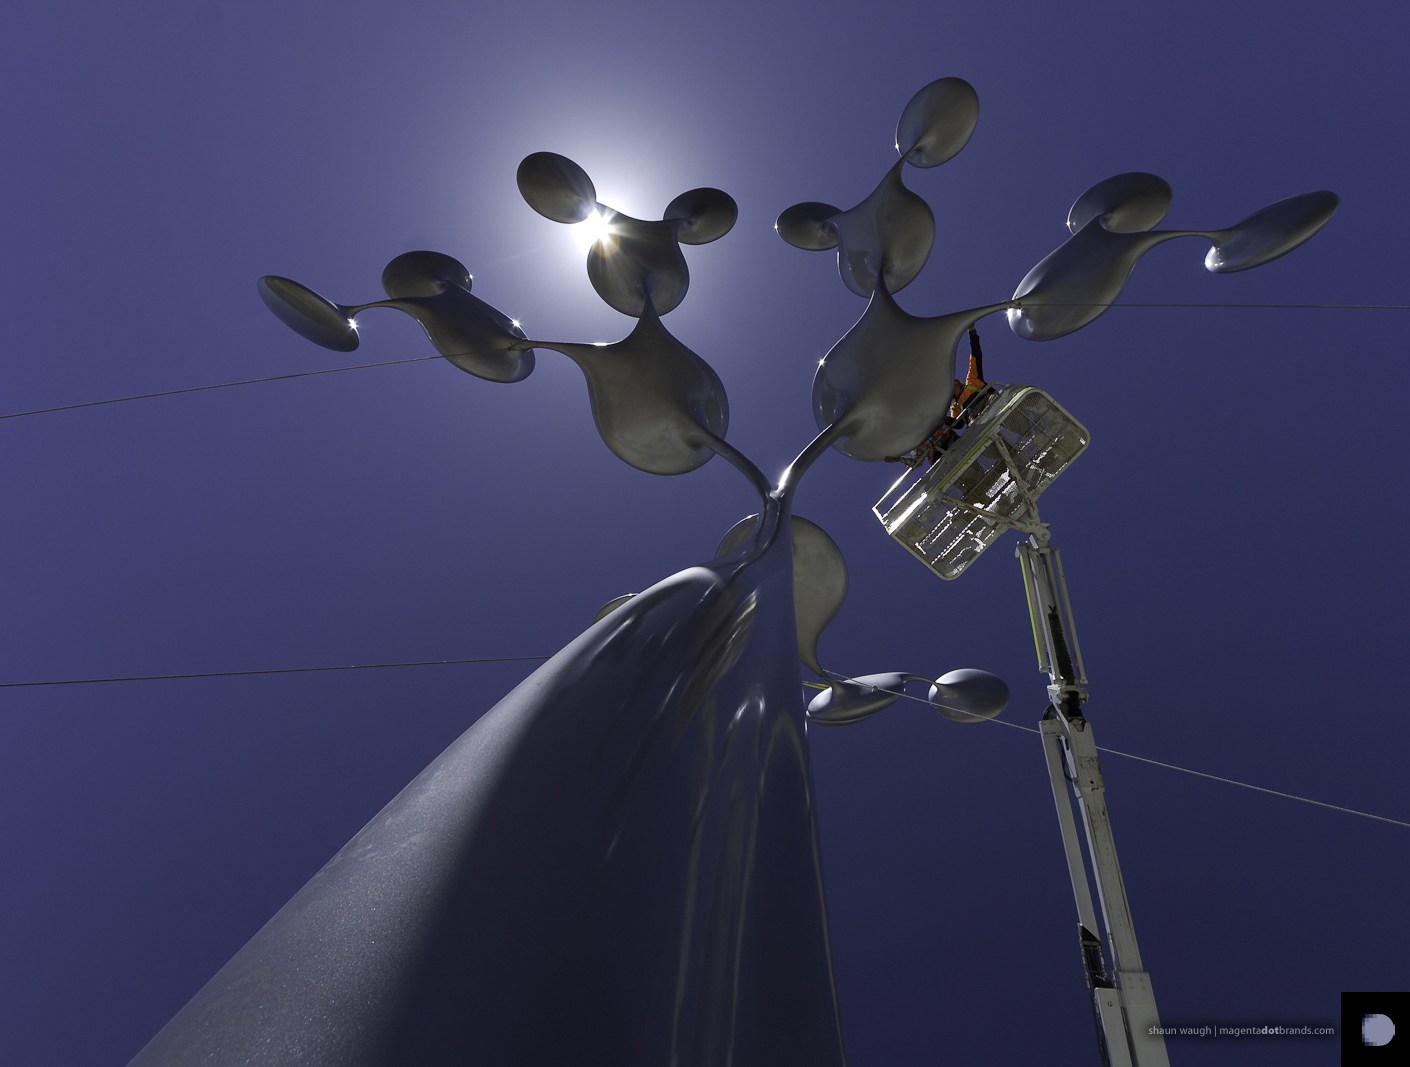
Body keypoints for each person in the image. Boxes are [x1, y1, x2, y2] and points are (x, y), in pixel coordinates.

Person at [885, 326, 988, 467]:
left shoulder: (972, 381)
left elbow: (976, 355)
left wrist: (972, 332)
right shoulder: (954, 408)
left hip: (990, 409)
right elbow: (958, 423)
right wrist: (898, 459)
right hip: (945, 460)